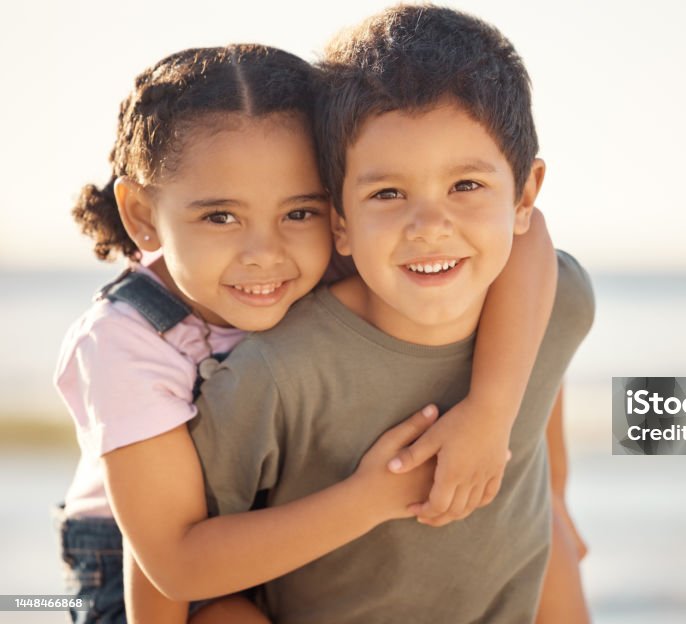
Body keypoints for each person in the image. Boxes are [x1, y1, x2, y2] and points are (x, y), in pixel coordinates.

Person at [54, 42, 559, 623]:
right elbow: (174, 565)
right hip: (151, 569)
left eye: (299, 212)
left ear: (338, 211)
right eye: (221, 217)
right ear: (143, 216)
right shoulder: (123, 344)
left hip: (284, 534)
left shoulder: (333, 250)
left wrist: (490, 414)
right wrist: (376, 496)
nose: (266, 254)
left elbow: (528, 237)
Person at [190, 5, 595, 622]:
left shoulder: (558, 299)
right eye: (388, 193)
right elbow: (194, 573)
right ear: (340, 221)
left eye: (466, 186)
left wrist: (554, 498)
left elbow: (548, 366)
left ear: (525, 195)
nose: (429, 226)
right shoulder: (277, 375)